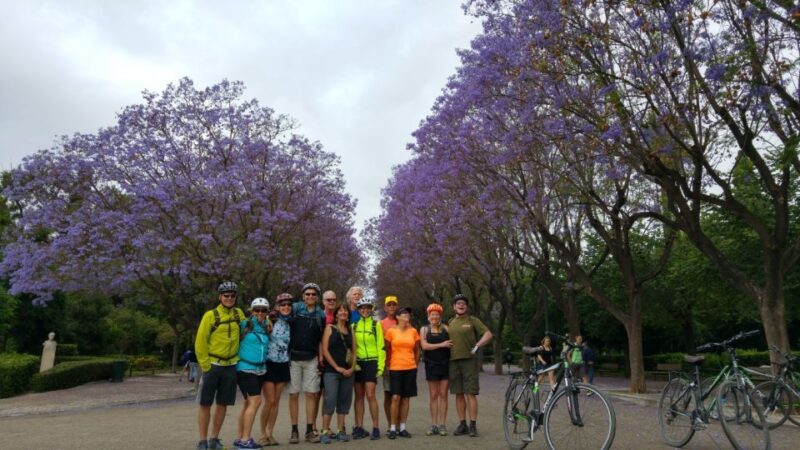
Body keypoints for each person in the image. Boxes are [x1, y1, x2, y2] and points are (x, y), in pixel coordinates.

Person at [194, 281, 246, 450]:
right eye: (226, 296)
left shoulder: (239, 314)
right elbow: (200, 341)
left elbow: (250, 327)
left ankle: (214, 439)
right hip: (213, 365)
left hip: (231, 365)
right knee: (205, 403)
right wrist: (206, 365)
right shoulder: (210, 315)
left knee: (223, 404)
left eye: (232, 296)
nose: (229, 298)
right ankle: (202, 440)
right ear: (220, 297)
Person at [448, 293, 493, 437]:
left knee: (470, 394)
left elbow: (488, 334)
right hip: (453, 362)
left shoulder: (472, 320)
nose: (461, 305)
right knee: (459, 394)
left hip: (469, 361)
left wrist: (477, 345)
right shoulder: (449, 322)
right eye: (458, 303)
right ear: (454, 306)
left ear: (466, 307)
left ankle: (473, 425)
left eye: (463, 303)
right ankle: (463, 424)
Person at [287, 283, 326, 444]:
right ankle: (294, 430)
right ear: (303, 296)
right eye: (308, 294)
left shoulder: (320, 314)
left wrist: (321, 360)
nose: (310, 296)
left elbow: (321, 339)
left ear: (317, 297)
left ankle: (309, 430)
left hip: (311, 359)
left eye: (313, 294)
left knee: (311, 394)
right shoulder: (294, 308)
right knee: (294, 394)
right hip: (294, 358)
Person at [233, 298, 272, 450]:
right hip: (245, 368)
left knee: (248, 403)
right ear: (251, 311)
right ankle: (245, 440)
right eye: (257, 310)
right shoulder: (245, 325)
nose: (260, 313)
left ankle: (240, 437)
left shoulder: (266, 326)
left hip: (260, 369)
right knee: (256, 402)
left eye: (263, 310)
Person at [258, 293, 293, 447]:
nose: (285, 307)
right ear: (277, 306)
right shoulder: (270, 319)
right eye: (282, 305)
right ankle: (262, 433)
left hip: (283, 363)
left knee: (276, 401)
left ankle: (270, 433)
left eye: (288, 305)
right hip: (269, 363)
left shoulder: (291, 322)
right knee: (269, 400)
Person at [320, 303, 356, 444]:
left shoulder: (350, 330)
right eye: (340, 310)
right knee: (330, 400)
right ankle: (325, 431)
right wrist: (336, 367)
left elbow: (354, 351)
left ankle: (341, 430)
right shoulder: (330, 328)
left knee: (344, 401)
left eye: (345, 311)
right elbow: (325, 350)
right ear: (336, 314)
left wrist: (352, 367)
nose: (343, 313)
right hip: (332, 372)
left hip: (348, 372)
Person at [351, 297, 385, 440]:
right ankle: (359, 427)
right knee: (359, 396)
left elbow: (381, 346)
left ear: (371, 309)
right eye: (362, 308)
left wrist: (381, 366)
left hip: (372, 362)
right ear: (358, 310)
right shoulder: (353, 326)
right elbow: (352, 348)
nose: (365, 310)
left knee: (370, 395)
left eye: (367, 307)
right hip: (358, 363)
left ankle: (376, 427)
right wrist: (353, 364)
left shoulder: (375, 325)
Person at [384, 306, 421, 439]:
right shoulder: (390, 332)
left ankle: (403, 428)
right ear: (397, 317)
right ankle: (393, 428)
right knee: (395, 397)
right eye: (403, 313)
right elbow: (387, 350)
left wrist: (415, 365)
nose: (406, 315)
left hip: (410, 368)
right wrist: (386, 366)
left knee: (406, 399)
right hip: (395, 368)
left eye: (408, 313)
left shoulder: (413, 331)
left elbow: (417, 350)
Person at [420, 303, 451, 436]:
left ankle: (442, 424)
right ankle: (433, 424)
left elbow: (452, 343)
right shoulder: (424, 330)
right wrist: (442, 344)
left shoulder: (446, 328)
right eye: (432, 314)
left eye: (437, 314)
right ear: (428, 316)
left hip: (445, 364)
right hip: (431, 365)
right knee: (433, 395)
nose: (435, 317)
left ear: (440, 316)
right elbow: (424, 346)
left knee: (443, 394)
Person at [380, 295, 399, 427]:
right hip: (388, 364)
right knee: (388, 394)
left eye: (394, 304)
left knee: (399, 396)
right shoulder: (381, 324)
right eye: (389, 305)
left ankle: (398, 424)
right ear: (385, 307)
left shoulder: (403, 322)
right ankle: (390, 424)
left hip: (402, 364)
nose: (391, 307)